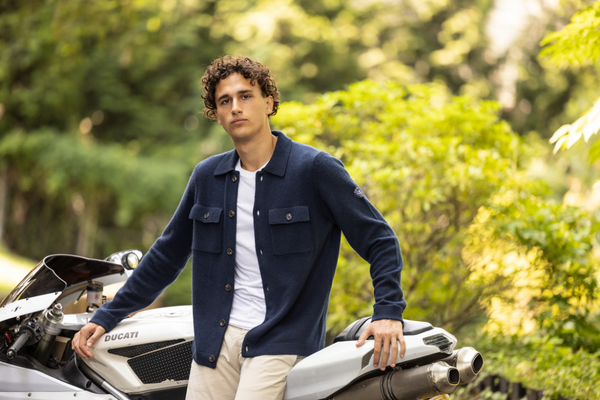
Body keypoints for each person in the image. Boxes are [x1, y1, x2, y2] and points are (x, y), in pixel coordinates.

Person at [72, 56, 406, 400]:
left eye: (245, 96)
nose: (236, 107)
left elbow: (379, 239)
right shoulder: (207, 176)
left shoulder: (314, 170)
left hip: (281, 340)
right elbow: (166, 255)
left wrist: (388, 311)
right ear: (216, 114)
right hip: (215, 341)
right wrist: (108, 314)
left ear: (269, 102)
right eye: (225, 101)